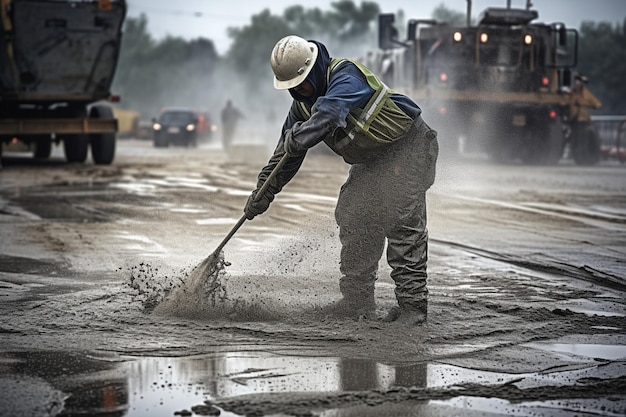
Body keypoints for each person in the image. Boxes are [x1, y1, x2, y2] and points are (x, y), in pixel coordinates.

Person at [243, 35, 438, 325]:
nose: (298, 92)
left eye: (302, 84)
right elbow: (285, 155)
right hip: (374, 160)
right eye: (292, 89)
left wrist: (301, 136)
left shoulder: (346, 75)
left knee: (401, 221)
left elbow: (331, 112)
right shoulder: (302, 107)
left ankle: (413, 309)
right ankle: (357, 302)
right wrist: (263, 192)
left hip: (408, 146)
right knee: (355, 215)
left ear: (315, 68)